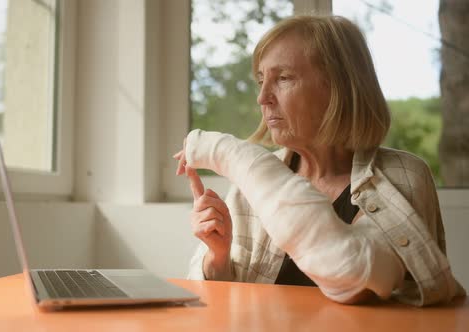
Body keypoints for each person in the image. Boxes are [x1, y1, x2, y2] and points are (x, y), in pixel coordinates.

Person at [173, 15, 465, 306]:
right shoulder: (249, 185)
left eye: (283, 78)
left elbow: (356, 274)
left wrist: (228, 154)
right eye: (261, 81)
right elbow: (205, 304)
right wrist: (218, 255)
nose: (263, 97)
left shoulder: (402, 175)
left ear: (338, 87)